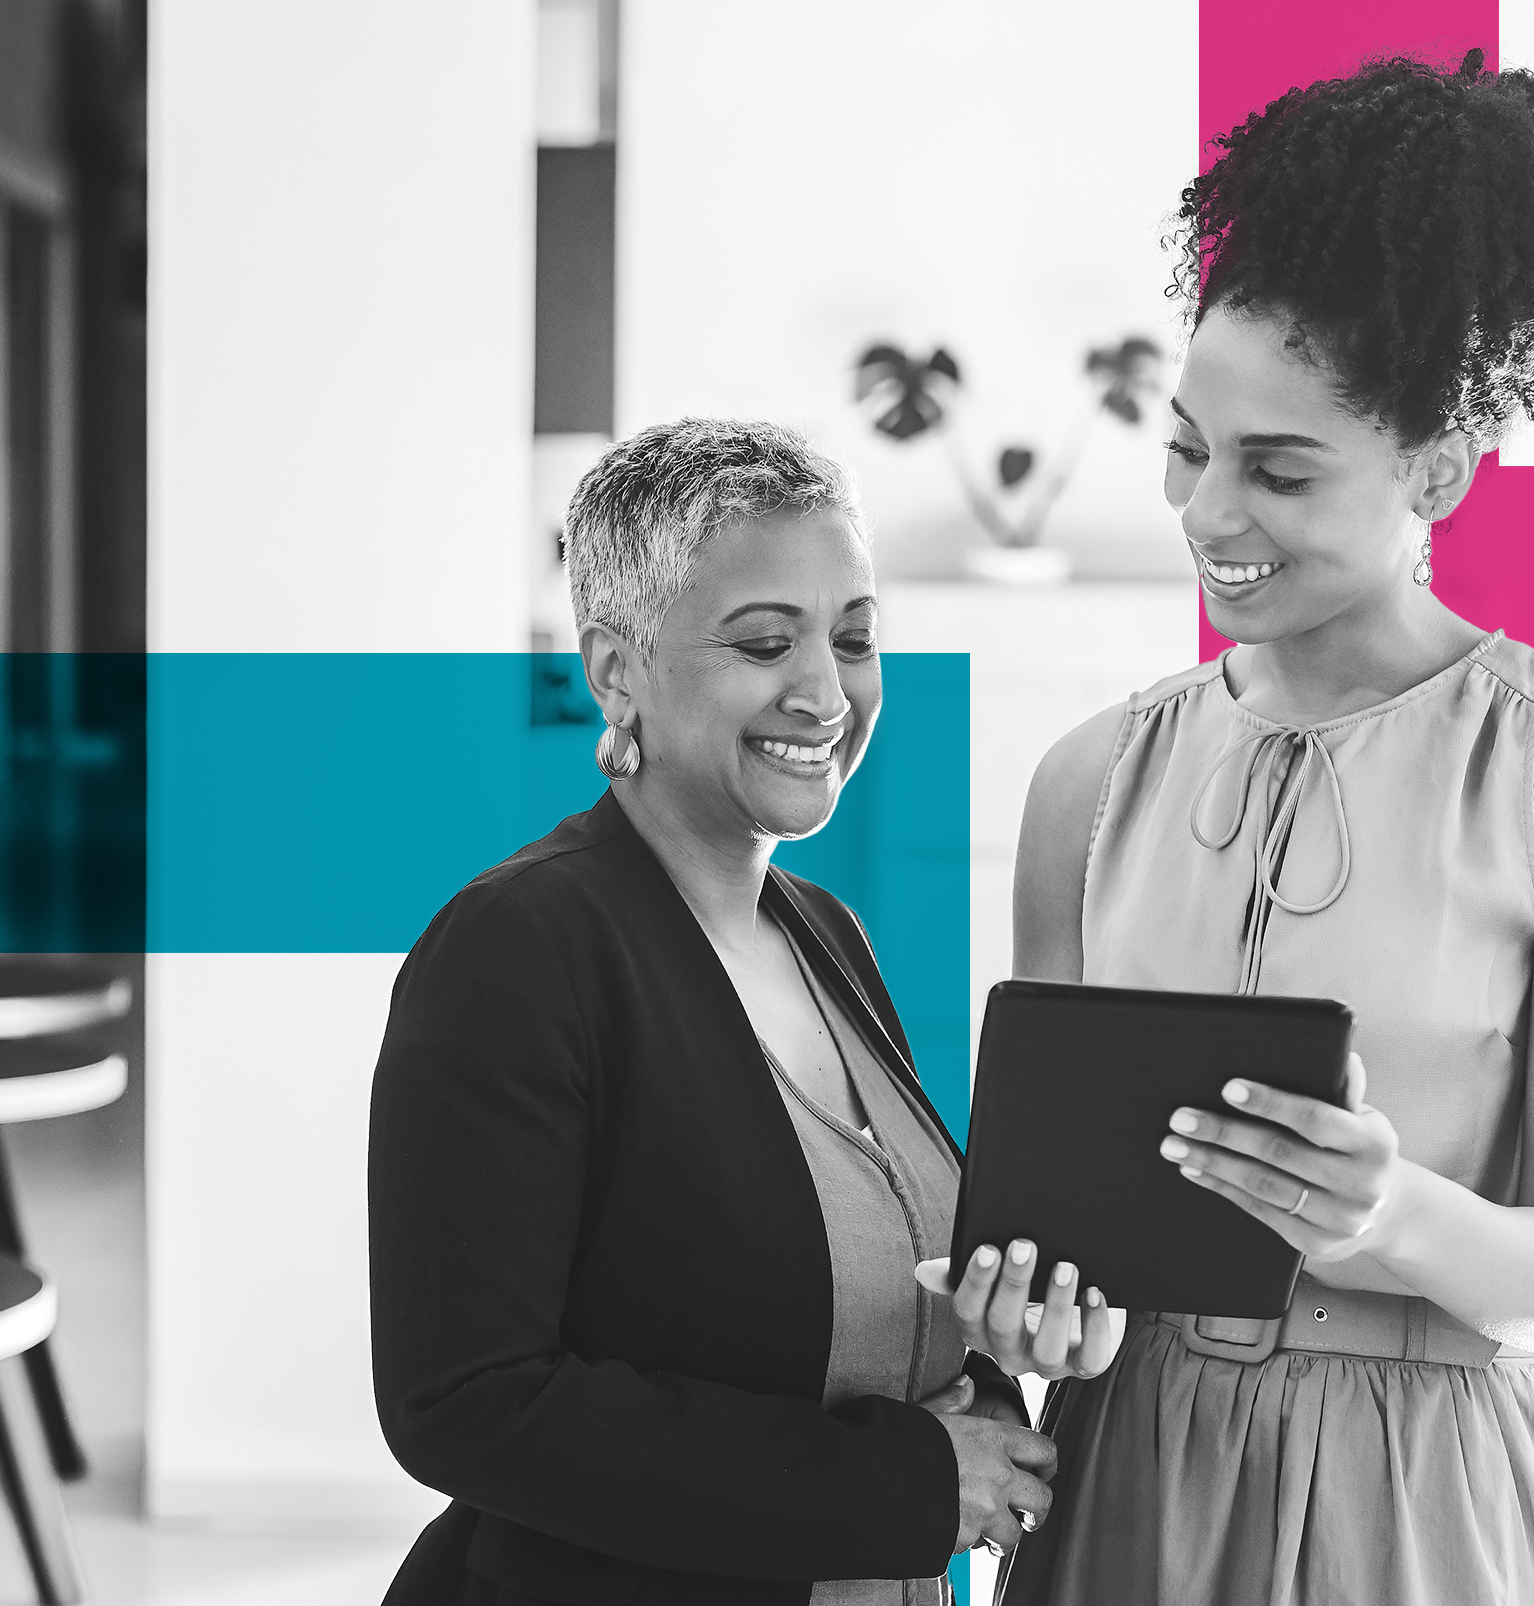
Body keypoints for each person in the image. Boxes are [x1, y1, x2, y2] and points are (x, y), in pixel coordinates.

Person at [948, 50, 1534, 1605]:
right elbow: (1052, 1222)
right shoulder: (1086, 782)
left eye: (1281, 469)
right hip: (1124, 1475)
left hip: (1424, 1500)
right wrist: (1025, 1318)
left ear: (1437, 466)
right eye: (1189, 447)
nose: (1209, 512)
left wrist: (1391, 1211)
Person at [368, 419, 1105, 1606]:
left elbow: (877, 1303)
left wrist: (996, 1375)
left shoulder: (829, 932)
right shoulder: (519, 949)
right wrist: (903, 1484)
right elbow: (464, 1402)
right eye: (767, 641)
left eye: (855, 638)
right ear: (616, 671)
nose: (825, 691)